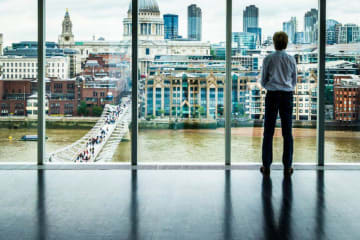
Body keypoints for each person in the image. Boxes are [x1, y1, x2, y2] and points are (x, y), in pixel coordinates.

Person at [260, 31, 297, 177]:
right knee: (287, 132)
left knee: (268, 132)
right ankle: (287, 166)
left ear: (274, 43)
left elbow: (263, 80)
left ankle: (266, 165)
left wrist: (270, 85)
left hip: (272, 95)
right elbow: (294, 80)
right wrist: (287, 87)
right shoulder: (291, 59)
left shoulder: (268, 59)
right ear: (286, 43)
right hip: (287, 96)